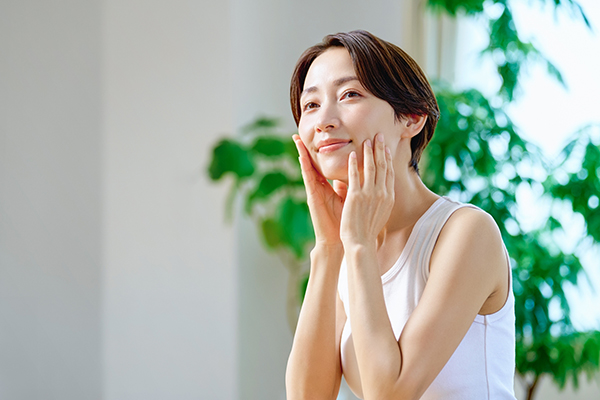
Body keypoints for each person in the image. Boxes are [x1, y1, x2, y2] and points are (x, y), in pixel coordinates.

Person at [285, 30, 516, 400]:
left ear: (411, 117)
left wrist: (357, 246)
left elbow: (389, 394)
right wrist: (329, 248)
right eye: (311, 105)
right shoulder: (349, 246)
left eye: (349, 95)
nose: (323, 120)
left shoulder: (467, 232)